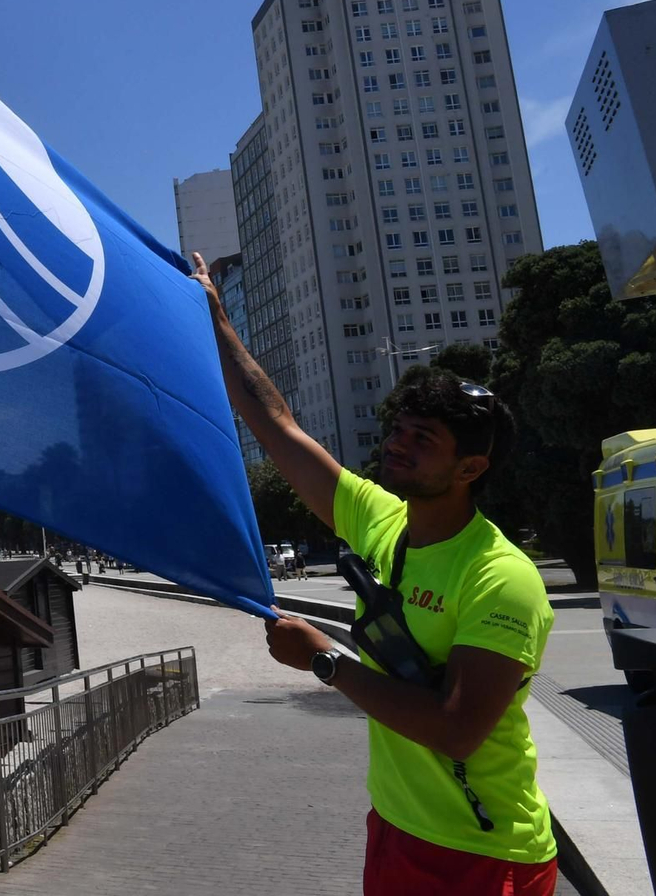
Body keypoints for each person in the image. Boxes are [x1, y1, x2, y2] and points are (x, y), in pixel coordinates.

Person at [192, 252, 556, 895]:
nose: (397, 444)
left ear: (470, 469)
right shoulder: (381, 520)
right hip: (395, 827)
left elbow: (457, 730)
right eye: (400, 429)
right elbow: (277, 427)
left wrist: (325, 661)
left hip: (485, 852)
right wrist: (215, 317)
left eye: (423, 440)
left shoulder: (501, 576)